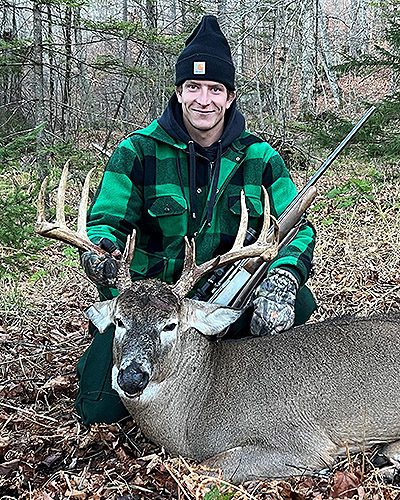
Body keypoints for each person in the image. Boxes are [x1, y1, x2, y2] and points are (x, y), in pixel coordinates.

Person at [76, 15, 317, 426]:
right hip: (147, 308)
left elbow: (295, 228)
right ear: (178, 91)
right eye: (193, 87)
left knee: (297, 303)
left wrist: (284, 277)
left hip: (220, 298)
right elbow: (103, 223)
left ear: (230, 97)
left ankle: (238, 382)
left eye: (214, 89)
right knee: (99, 409)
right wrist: (100, 254)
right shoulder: (137, 151)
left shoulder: (260, 158)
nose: (203, 100)